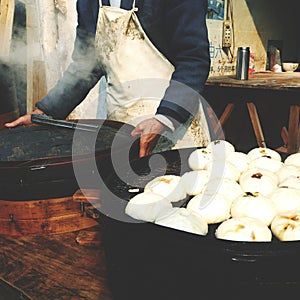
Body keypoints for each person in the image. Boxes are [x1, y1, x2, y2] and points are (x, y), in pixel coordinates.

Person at [6, 0, 211, 157]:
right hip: (123, 133)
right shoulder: (89, 3)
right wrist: (46, 112)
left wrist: (164, 119)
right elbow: (85, 66)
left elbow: (193, 60)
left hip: (175, 129)